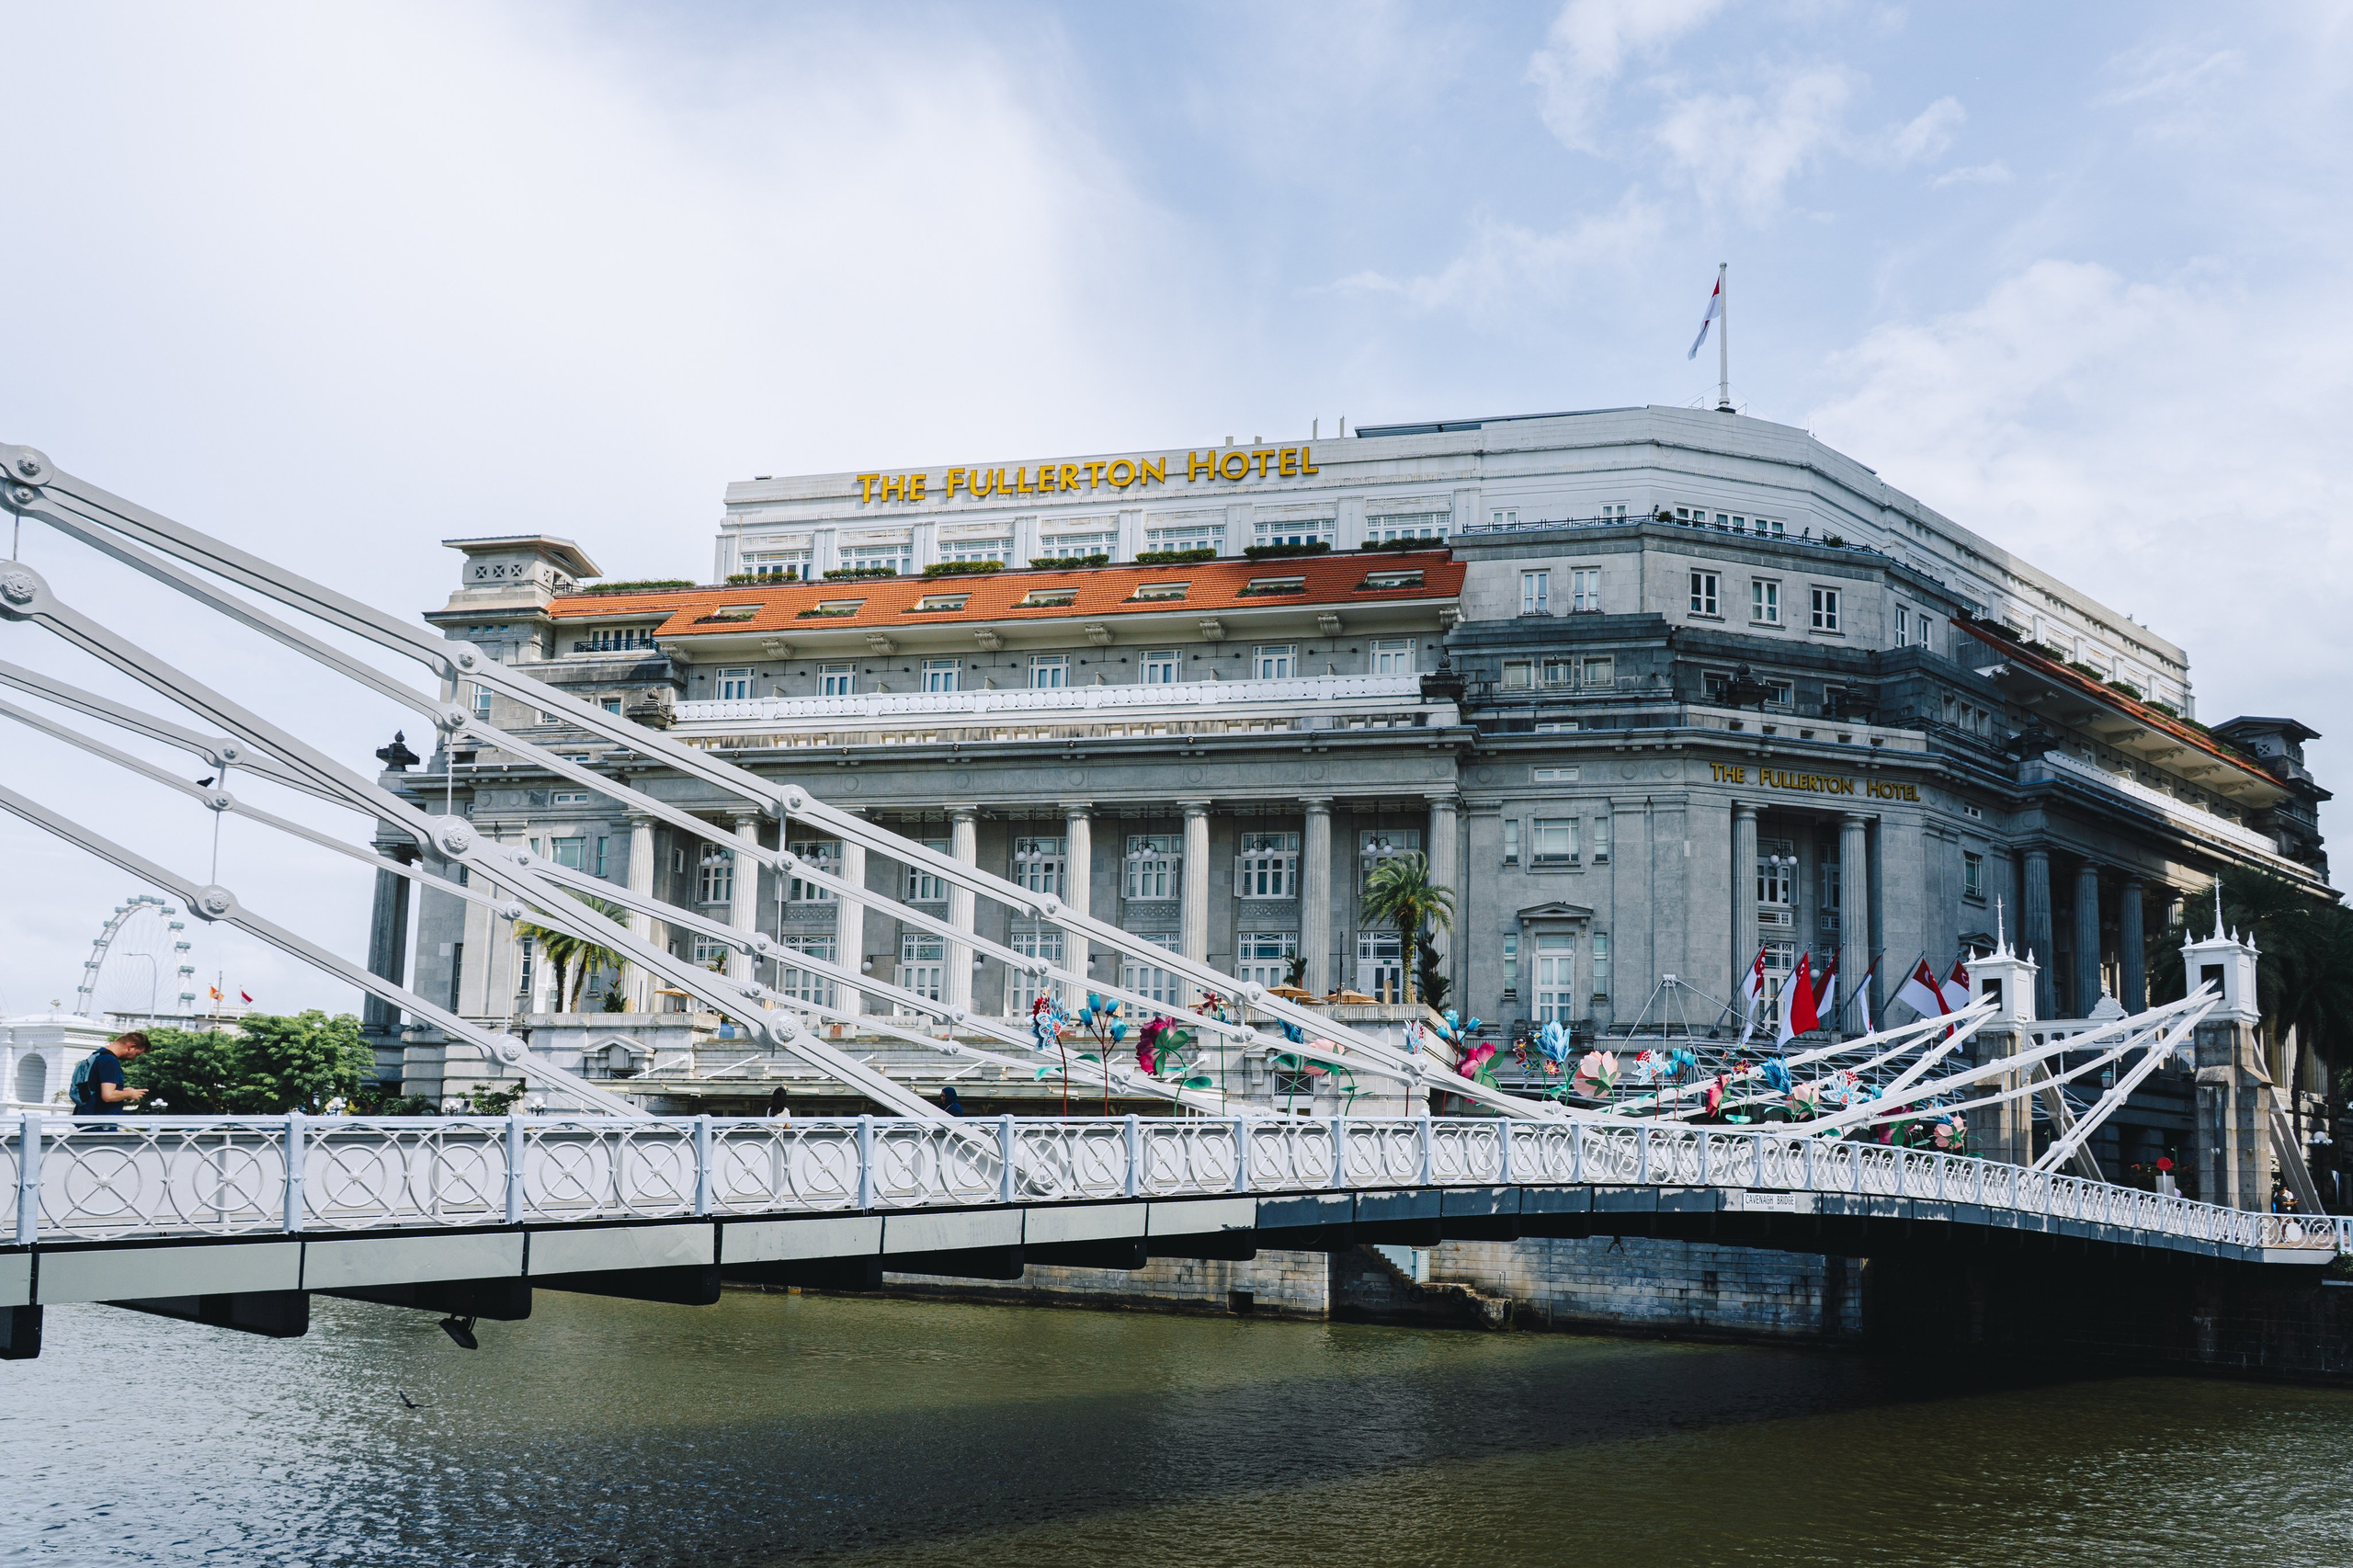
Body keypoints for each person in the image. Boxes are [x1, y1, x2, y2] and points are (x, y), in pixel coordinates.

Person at [71, 1031, 153, 1122]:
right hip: (100, 1123)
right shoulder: (110, 1061)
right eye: (137, 1054)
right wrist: (130, 1094)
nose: (134, 1058)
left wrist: (122, 1091)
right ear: (131, 1047)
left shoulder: (97, 1055)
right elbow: (108, 1096)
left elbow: (95, 1089)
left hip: (87, 1116)